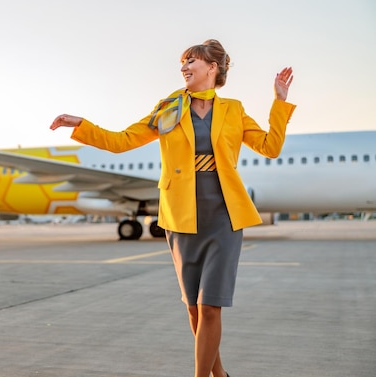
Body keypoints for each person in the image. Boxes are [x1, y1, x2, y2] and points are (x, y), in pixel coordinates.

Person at [49, 39, 296, 377]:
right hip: (181, 216)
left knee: (212, 306)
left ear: (213, 67)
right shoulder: (169, 107)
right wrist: (82, 125)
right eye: (183, 61)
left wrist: (279, 102)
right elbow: (123, 141)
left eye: (191, 60)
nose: (184, 66)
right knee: (195, 310)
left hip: (223, 215)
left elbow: (270, 147)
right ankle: (219, 374)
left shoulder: (234, 110)